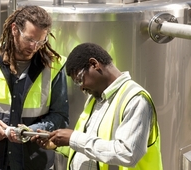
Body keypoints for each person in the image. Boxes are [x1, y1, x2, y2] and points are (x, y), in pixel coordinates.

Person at [33, 42, 163, 170]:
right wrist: (58, 144)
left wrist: (73, 138)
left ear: (94, 64)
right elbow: (92, 148)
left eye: (79, 80)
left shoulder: (135, 99)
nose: (82, 87)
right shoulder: (95, 99)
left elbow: (127, 153)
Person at [0, 5, 69, 170]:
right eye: (29, 39)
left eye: (41, 41)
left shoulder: (54, 66)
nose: (34, 47)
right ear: (14, 29)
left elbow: (61, 115)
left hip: (34, 163)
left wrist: (32, 131)